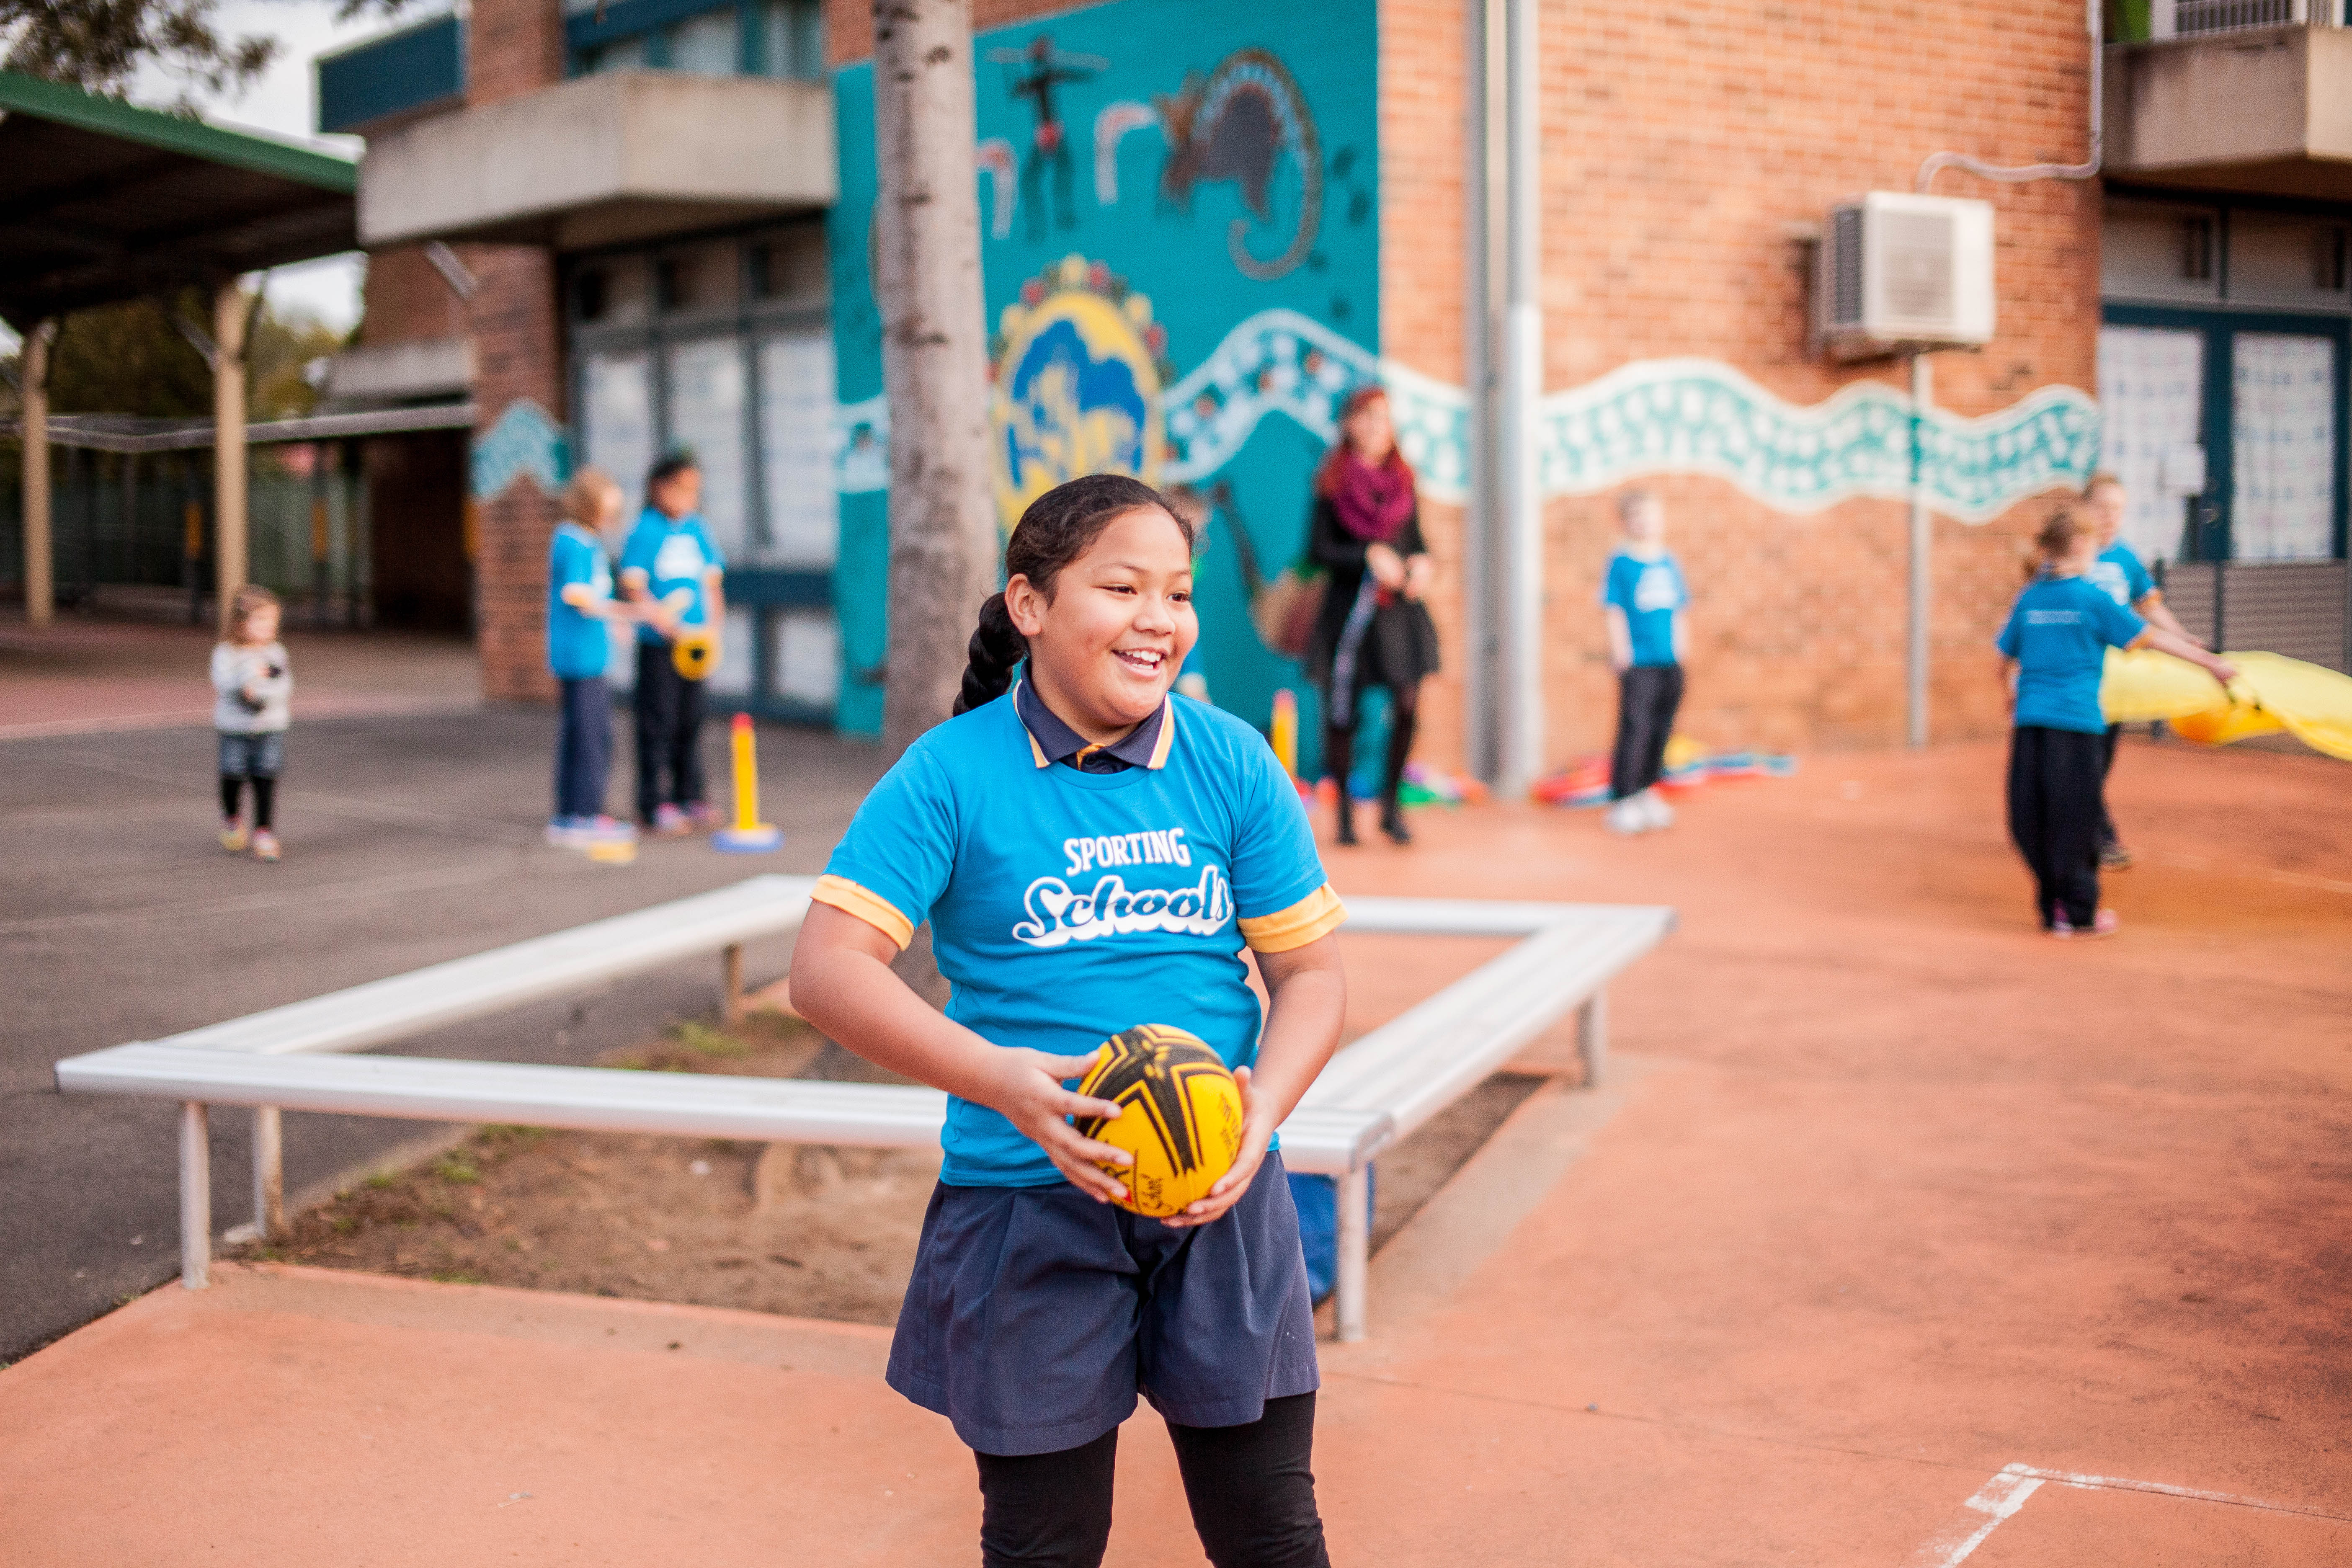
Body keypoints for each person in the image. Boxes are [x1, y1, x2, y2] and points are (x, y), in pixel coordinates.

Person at [788, 474, 1348, 1568]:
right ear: (1031, 605)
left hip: (1220, 1204)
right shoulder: (948, 774)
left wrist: (1261, 1113)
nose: (1160, 619)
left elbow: (1312, 975)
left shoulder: (1229, 758)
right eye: (1123, 586)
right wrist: (1004, 1083)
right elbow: (826, 971)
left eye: (1179, 595)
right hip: (1023, 1206)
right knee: (1046, 1545)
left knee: (1271, 1532)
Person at [1998, 507, 2235, 939]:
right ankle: (2072, 907)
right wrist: (2207, 661)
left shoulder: (2057, 598)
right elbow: (2149, 637)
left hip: (2054, 723)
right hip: (2057, 722)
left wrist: (2008, 690)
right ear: (2084, 546)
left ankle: (2064, 909)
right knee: (2055, 819)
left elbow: (2003, 659)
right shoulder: (2064, 598)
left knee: (2046, 818)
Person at [1303, 384, 1439, 846]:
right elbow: (1318, 550)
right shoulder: (1332, 483)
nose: (1376, 426)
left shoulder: (1403, 480)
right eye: (1367, 417)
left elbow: (1416, 539)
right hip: (1350, 618)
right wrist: (1366, 555)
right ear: (1350, 424)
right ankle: (1342, 812)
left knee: (1407, 704)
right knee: (1344, 713)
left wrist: (1421, 562)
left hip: (1398, 617)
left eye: (1383, 417)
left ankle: (1391, 805)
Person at [2080, 472, 2205, 870]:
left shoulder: (2126, 559)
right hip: (2078, 677)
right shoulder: (2070, 556)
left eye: (2118, 510)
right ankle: (2101, 837)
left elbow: (2150, 608)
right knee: (2084, 760)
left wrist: (2184, 638)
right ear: (2085, 509)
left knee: (2098, 762)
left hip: (2115, 682)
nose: (2110, 517)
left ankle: (2084, 829)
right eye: (2102, 508)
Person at [618, 451, 725, 835]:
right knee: (657, 723)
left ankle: (690, 796)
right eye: (681, 488)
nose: (688, 497)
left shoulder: (698, 530)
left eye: (694, 490)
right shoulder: (645, 530)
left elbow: (713, 585)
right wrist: (662, 618)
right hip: (660, 647)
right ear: (659, 488)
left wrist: (713, 628)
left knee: (691, 721)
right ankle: (654, 804)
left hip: (696, 646)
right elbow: (633, 586)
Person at [545, 468, 641, 848]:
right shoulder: (576, 542)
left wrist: (614, 622)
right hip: (581, 658)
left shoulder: (586, 541)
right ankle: (584, 814)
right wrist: (623, 613)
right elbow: (577, 595)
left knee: (581, 734)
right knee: (592, 738)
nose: (610, 518)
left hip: (589, 654)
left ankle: (571, 814)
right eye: (606, 509)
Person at [1600, 488, 1689, 837]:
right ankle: (1624, 796)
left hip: (1670, 662)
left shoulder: (1668, 560)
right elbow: (1614, 609)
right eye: (1637, 516)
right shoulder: (1621, 562)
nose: (1646, 522)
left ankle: (1648, 789)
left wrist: (1681, 653)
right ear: (1625, 523)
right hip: (1638, 663)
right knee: (1635, 728)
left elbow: (1679, 610)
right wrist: (1621, 651)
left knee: (1661, 729)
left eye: (1651, 514)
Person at [212, 584, 292, 864]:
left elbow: (283, 686)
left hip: (269, 728)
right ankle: (232, 818)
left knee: (266, 777)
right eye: (261, 620)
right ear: (240, 623)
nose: (269, 627)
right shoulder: (227, 653)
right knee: (232, 774)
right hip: (235, 729)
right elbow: (223, 683)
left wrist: (260, 693)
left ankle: (264, 831)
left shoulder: (276, 653)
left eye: (272, 621)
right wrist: (244, 682)